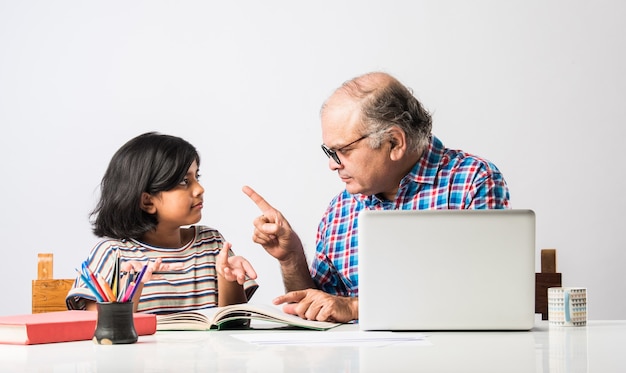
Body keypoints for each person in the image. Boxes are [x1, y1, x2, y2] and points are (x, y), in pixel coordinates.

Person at [243, 71, 510, 323]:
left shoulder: (473, 181)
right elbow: (320, 310)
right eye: (329, 152)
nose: (333, 165)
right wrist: (291, 258)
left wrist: (355, 307)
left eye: (342, 151)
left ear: (394, 143)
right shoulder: (341, 208)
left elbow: (484, 298)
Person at [66, 132, 258, 314]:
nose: (200, 189)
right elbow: (99, 330)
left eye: (196, 177)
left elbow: (235, 327)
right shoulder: (112, 254)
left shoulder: (212, 244)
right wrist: (136, 285)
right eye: (184, 181)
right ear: (148, 201)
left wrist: (230, 280)